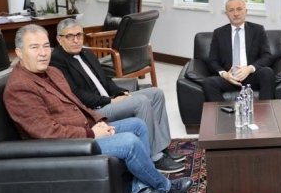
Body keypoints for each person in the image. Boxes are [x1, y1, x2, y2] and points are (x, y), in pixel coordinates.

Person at [3, 24, 193, 193]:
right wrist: (92, 134)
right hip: (66, 144)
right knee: (129, 141)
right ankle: (165, 185)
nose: (43, 53)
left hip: (85, 129)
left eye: (46, 46)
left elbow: (78, 105)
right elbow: (47, 133)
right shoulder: (20, 87)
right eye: (34, 47)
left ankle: (141, 190)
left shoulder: (52, 72)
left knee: (137, 125)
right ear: (19, 52)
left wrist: (100, 123)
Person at [50, 18, 184, 174]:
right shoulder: (57, 61)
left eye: (79, 35)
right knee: (141, 102)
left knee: (156, 93)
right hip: (94, 110)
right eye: (70, 36)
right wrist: (111, 100)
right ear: (59, 39)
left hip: (109, 100)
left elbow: (105, 79)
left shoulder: (86, 52)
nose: (76, 40)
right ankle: (154, 157)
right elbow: (76, 94)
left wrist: (120, 92)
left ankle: (161, 146)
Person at [202, 0, 275, 101]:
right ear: (226, 14)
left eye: (239, 9)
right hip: (229, 79)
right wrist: (225, 74)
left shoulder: (258, 30)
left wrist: (249, 69)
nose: (235, 13)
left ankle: (264, 110)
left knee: (267, 72)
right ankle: (225, 111)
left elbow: (267, 56)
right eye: (231, 10)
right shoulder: (219, 33)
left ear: (246, 11)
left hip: (251, 76)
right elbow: (212, 61)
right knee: (208, 82)